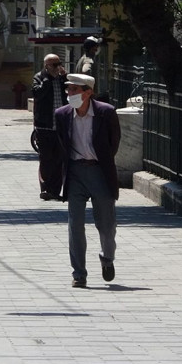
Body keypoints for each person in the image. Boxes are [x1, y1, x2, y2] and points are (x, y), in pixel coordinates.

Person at [55, 74, 121, 288]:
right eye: (69, 90)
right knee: (75, 224)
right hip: (75, 173)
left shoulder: (105, 113)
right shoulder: (62, 114)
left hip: (99, 172)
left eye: (75, 89)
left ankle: (107, 258)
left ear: (88, 92)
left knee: (106, 224)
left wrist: (100, 161)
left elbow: (113, 143)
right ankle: (79, 273)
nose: (70, 94)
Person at [32, 54, 68, 201]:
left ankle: (55, 190)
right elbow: (37, 94)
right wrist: (49, 78)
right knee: (46, 159)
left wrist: (65, 78)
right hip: (44, 126)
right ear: (46, 66)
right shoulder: (39, 77)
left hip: (60, 127)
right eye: (54, 65)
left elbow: (70, 94)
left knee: (59, 160)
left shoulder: (61, 78)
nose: (57, 67)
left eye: (59, 64)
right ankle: (45, 188)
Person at [76, 36, 110, 103]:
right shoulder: (88, 60)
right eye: (96, 46)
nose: (98, 48)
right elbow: (85, 70)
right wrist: (89, 89)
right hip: (89, 98)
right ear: (93, 48)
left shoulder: (83, 58)